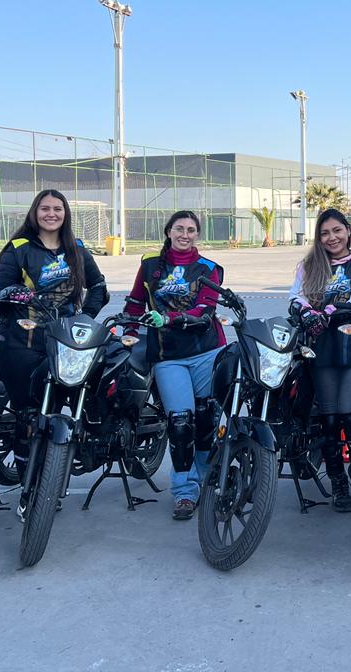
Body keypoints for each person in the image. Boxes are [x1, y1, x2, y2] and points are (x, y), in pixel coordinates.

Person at [0, 189, 109, 513]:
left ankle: (55, 475)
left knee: (61, 410)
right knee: (28, 417)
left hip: (67, 346)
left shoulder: (77, 249)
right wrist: (14, 294)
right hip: (21, 346)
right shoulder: (18, 249)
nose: (51, 214)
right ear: (34, 212)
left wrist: (85, 318)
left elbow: (99, 287)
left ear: (65, 213)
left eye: (57, 208)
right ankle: (29, 488)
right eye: (45, 208)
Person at [123, 211, 226, 520]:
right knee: (181, 424)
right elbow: (134, 302)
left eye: (191, 230)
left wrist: (168, 318)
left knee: (206, 420)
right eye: (179, 228)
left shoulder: (209, 269)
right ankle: (184, 491)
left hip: (206, 350)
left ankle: (208, 478)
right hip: (168, 356)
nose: (185, 234)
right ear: (168, 231)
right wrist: (128, 332)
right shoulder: (151, 266)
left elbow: (204, 311)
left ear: (197, 235)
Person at [288, 208, 351, 513]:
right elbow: (296, 296)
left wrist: (326, 312)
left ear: (347, 231)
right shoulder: (309, 264)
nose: (332, 238)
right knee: (328, 418)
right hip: (319, 347)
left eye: (337, 230)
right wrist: (306, 313)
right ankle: (338, 482)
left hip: (350, 345)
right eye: (325, 233)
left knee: (350, 415)